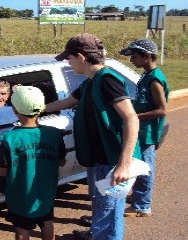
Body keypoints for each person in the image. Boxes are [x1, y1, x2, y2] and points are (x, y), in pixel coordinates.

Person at [45, 33, 141, 240]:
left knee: (107, 208)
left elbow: (131, 118)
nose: (68, 63)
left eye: (68, 58)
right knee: (105, 206)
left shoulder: (107, 80)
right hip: (100, 157)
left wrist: (123, 164)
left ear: (80, 57)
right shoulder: (90, 81)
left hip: (112, 160)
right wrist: (35, 109)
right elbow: (67, 102)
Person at [0, 86, 66, 240]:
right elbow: (61, 161)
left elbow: (3, 170)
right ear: (41, 109)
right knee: (47, 222)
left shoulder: (9, 138)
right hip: (46, 192)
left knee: (22, 228)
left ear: (14, 111)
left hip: (20, 194)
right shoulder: (54, 133)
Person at [119, 39, 169, 217]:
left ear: (146, 56)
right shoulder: (147, 75)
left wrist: (133, 117)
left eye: (134, 56)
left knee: (144, 168)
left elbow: (162, 110)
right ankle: (139, 197)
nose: (131, 60)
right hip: (140, 130)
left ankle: (142, 205)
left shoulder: (155, 79)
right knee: (138, 165)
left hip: (147, 132)